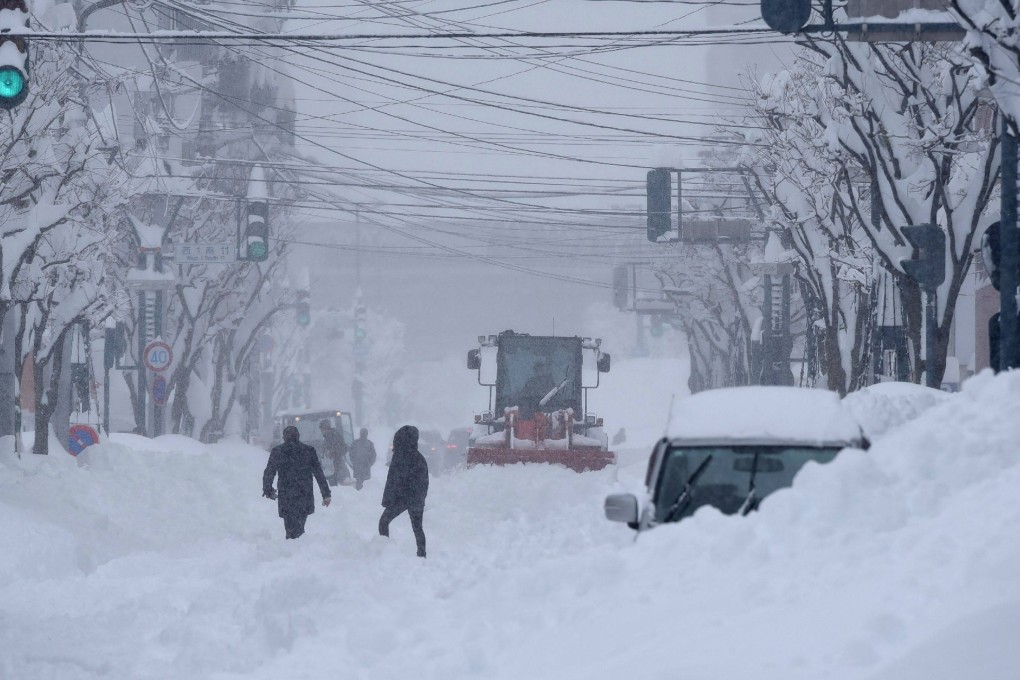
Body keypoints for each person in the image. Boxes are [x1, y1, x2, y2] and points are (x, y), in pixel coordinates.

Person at [263, 425, 331, 539]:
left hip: (286, 495)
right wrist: (326, 494)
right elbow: (319, 474)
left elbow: (269, 472)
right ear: (298, 436)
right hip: (304, 495)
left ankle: (293, 543)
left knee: (289, 525)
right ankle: (297, 544)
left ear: (284, 437)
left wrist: (268, 490)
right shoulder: (309, 451)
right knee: (300, 524)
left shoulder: (277, 451)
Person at [379, 425, 429, 557]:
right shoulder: (420, 458)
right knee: (417, 528)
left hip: (400, 499)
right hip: (415, 499)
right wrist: (420, 499)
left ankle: (385, 551)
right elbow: (424, 482)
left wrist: (388, 500)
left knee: (384, 522)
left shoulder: (399, 457)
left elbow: (392, 481)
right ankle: (422, 554)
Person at [319, 419, 350, 486]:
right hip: (333, 467)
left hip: (337, 468)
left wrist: (331, 451)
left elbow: (343, 448)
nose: (321, 431)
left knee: (339, 490)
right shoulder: (329, 437)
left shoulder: (333, 436)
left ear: (325, 428)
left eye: (322, 429)